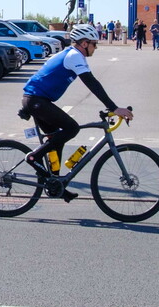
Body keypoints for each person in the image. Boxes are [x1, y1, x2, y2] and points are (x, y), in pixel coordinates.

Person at [18, 24, 133, 201]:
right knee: (72, 128)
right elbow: (92, 83)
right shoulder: (73, 56)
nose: (96, 47)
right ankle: (33, 158)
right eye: (94, 44)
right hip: (36, 100)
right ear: (85, 43)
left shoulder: (73, 55)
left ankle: (55, 184)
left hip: (37, 100)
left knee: (56, 140)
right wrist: (114, 108)